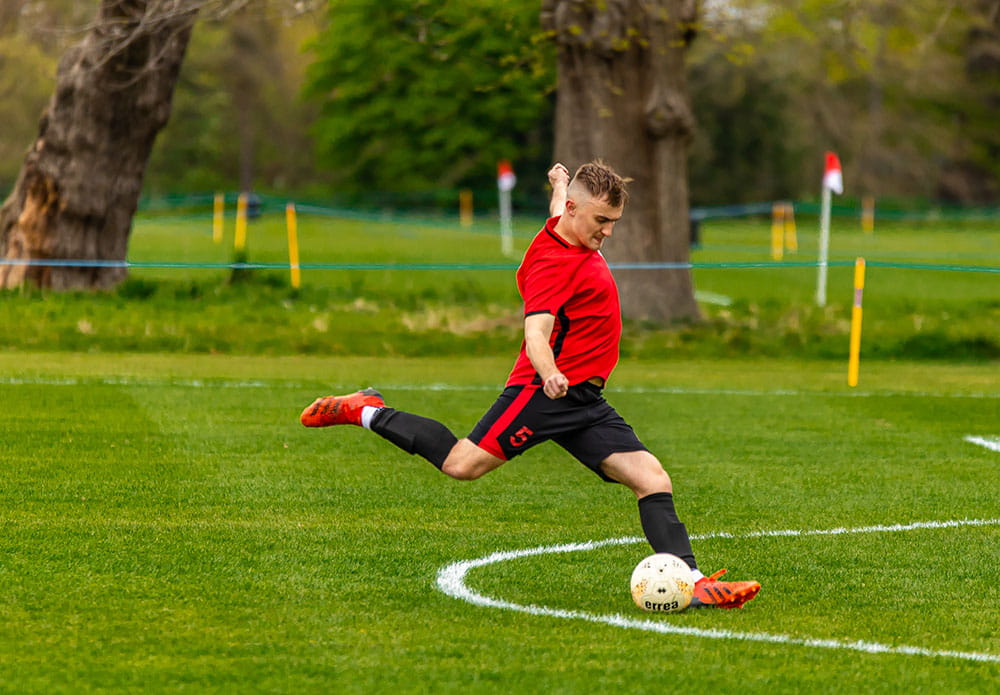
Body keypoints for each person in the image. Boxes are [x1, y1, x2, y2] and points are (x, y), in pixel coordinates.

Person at [301, 160, 760, 609]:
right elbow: (536, 334)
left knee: (651, 477)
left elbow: (562, 206)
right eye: (603, 221)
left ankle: (695, 581)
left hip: (584, 399)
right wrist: (550, 373)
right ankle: (365, 409)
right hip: (542, 394)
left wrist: (558, 181)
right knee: (462, 464)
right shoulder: (553, 266)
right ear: (578, 212)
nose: (608, 232)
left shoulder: (570, 222)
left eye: (615, 221)